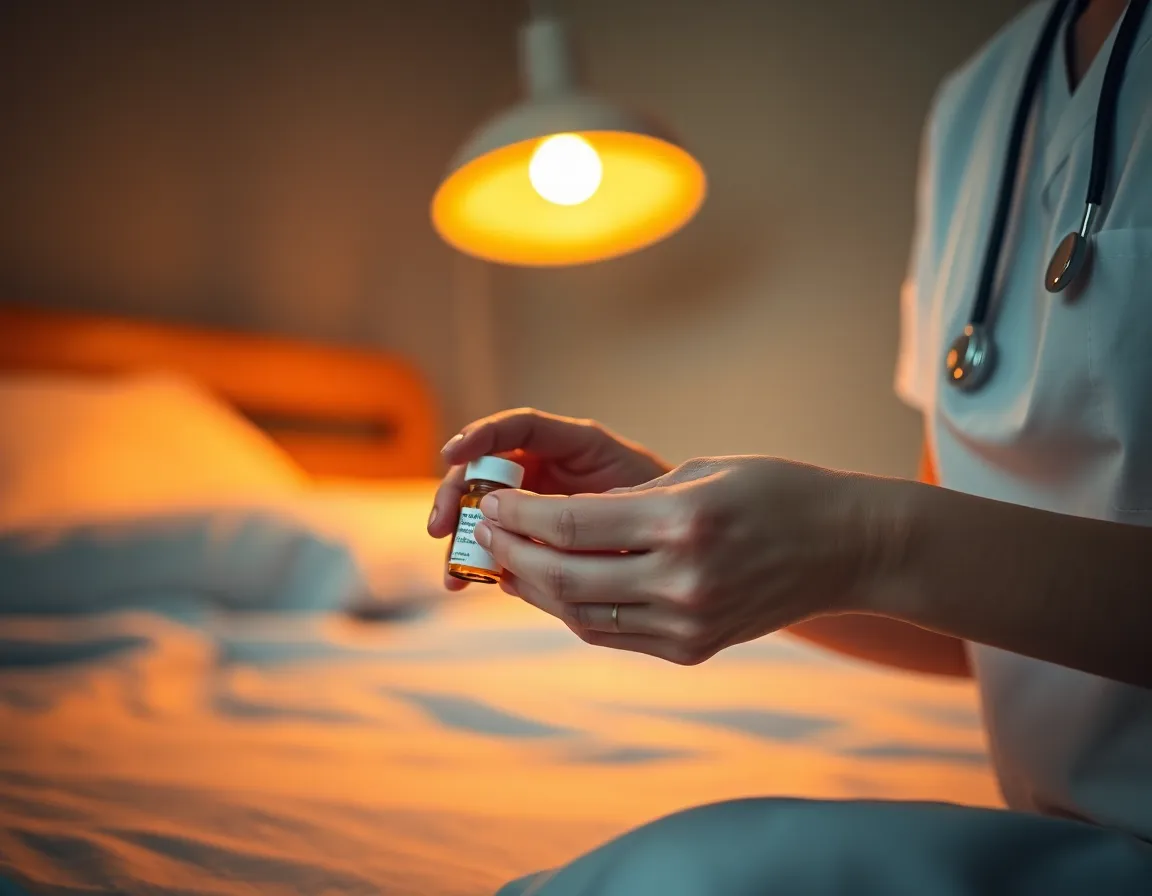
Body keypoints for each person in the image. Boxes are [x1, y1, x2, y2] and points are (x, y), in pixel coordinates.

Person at [426, 0, 1152, 892]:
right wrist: (669, 503)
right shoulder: (982, 103)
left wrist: (865, 538)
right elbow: (982, 631)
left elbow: (911, 549)